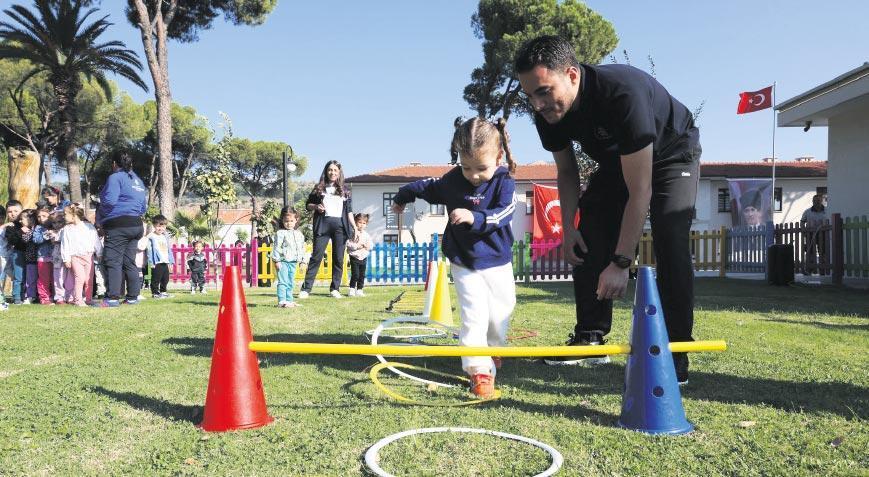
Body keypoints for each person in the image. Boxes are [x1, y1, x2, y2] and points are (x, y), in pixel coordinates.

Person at [515, 36, 701, 383]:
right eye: (530, 96)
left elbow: (641, 190)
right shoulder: (547, 113)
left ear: (571, 74)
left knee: (670, 236)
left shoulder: (620, 93)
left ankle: (676, 350)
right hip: (621, 160)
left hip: (672, 153)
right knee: (589, 227)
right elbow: (568, 171)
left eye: (543, 91)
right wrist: (570, 228)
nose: (538, 104)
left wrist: (620, 263)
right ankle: (590, 336)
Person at [392, 116, 517, 399]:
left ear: (498, 157)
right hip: (464, 261)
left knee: (500, 313)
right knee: (474, 315)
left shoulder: (503, 182)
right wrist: (401, 198)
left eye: (480, 168)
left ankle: (493, 351)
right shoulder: (452, 181)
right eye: (466, 166)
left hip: (498, 261)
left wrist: (476, 217)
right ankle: (479, 371)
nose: (473, 175)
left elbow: (505, 212)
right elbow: (422, 187)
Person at [95, 152, 147, 307]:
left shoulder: (115, 177)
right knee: (128, 261)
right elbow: (143, 208)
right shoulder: (138, 180)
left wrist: (101, 209)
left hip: (118, 225)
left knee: (113, 261)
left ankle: (112, 298)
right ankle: (132, 297)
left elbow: (110, 201)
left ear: (114, 164)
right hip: (136, 225)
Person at [299, 160, 356, 299]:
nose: (332, 172)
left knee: (338, 258)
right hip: (322, 226)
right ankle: (306, 289)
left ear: (339, 173)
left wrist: (355, 228)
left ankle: (335, 289)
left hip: (340, 228)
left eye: (335, 170)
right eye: (330, 170)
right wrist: (316, 207)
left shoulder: (345, 190)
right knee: (316, 257)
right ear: (326, 171)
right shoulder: (318, 188)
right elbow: (308, 205)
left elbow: (349, 211)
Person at [60, 204, 101, 306]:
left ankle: (88, 299)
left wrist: (100, 252)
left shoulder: (89, 226)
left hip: (88, 256)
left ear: (74, 215)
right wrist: (66, 259)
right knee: (80, 278)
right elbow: (65, 244)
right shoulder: (66, 229)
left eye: (65, 214)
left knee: (89, 279)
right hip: (75, 257)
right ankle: (78, 300)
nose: (64, 216)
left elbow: (96, 240)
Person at [270, 206, 306, 308]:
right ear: (282, 220)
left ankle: (289, 300)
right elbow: (277, 247)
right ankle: (282, 301)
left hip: (293, 261)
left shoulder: (299, 234)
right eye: (286, 221)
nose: (289, 223)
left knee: (290, 281)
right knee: (283, 281)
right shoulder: (280, 233)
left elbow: (302, 248)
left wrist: (303, 261)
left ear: (296, 220)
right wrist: (276, 260)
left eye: (291, 221)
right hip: (283, 261)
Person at [5, 207, 33, 305]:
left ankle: (28, 296)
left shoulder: (34, 227)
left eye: (16, 211)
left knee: (30, 277)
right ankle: (17, 297)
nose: (13, 214)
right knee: (19, 277)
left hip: (32, 255)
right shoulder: (11, 227)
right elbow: (12, 241)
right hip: (18, 253)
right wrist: (20, 232)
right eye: (9, 211)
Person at [32, 206, 56, 304]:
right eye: (39, 216)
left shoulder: (56, 226)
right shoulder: (38, 228)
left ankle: (57, 297)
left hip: (56, 258)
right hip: (43, 257)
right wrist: (46, 235)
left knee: (56, 278)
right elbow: (36, 240)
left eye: (44, 216)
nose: (41, 218)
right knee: (44, 279)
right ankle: (44, 298)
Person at [146, 214, 174, 299]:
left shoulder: (165, 236)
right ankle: (155, 292)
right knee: (156, 278)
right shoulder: (151, 236)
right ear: (154, 225)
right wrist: (151, 261)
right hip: (157, 261)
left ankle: (163, 291)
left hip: (165, 261)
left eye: (163, 226)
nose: (161, 228)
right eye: (158, 226)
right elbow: (149, 250)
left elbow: (169, 249)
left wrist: (171, 261)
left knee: (165, 278)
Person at [346, 213, 373, 297]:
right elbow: (348, 243)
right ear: (355, 222)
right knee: (355, 274)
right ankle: (352, 289)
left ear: (366, 224)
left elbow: (370, 245)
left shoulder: (366, 235)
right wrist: (357, 246)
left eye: (364, 223)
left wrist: (368, 246)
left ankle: (360, 289)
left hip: (363, 256)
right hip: (354, 256)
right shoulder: (352, 233)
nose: (361, 225)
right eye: (360, 222)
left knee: (362, 274)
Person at [801, 194, 828, 274]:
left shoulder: (827, 210)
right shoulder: (807, 212)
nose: (817, 202)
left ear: (822, 201)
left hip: (823, 235)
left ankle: (823, 270)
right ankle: (810, 269)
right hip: (810, 235)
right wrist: (804, 231)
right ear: (812, 202)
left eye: (818, 201)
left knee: (823, 252)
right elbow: (802, 222)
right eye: (815, 201)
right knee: (810, 252)